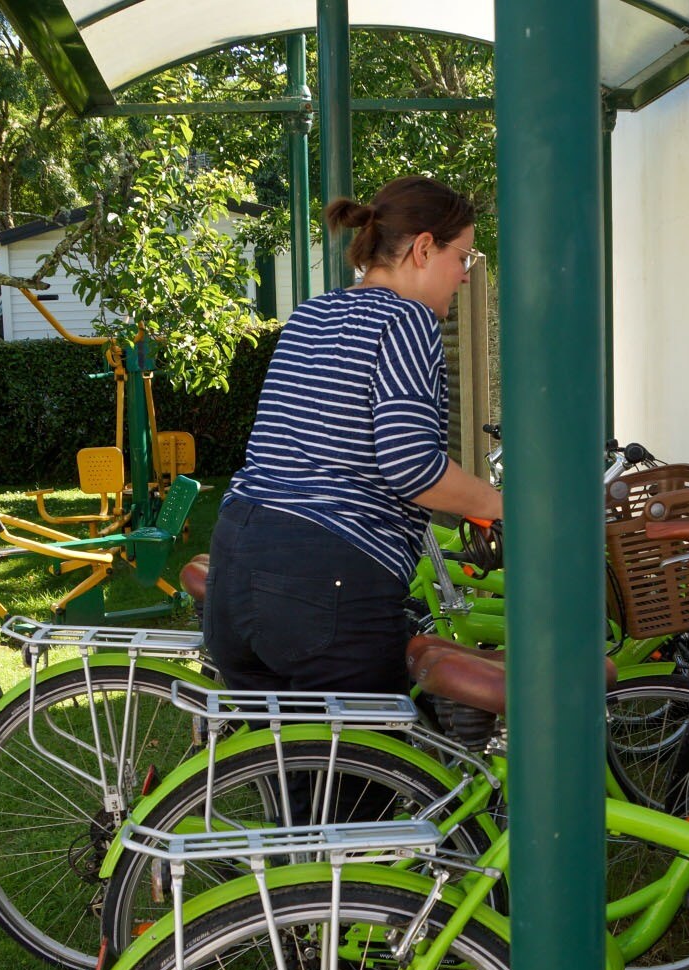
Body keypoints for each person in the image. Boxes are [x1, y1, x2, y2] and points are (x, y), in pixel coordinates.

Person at [204, 175, 503, 695]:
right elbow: (414, 469)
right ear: (423, 249)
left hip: (236, 558)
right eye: (463, 258)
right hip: (326, 579)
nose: (464, 275)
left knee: (289, 747)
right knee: (371, 749)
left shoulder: (310, 314)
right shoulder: (407, 320)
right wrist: (504, 507)